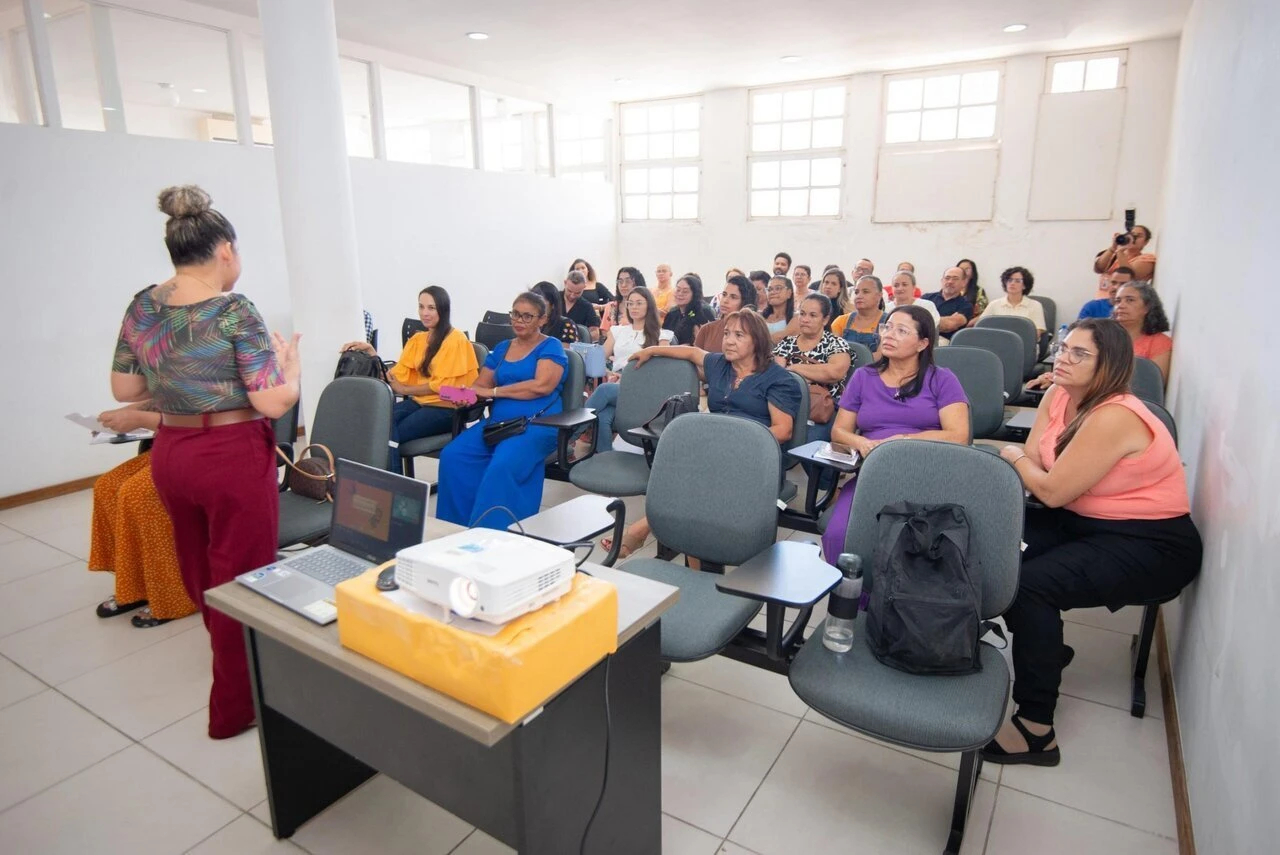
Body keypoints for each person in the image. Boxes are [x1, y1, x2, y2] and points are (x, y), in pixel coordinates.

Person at [112, 185, 300, 739]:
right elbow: (272, 402)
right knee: (242, 578)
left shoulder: (144, 305)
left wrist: (178, 376)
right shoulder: (233, 309)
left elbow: (125, 388)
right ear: (224, 251)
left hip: (173, 455)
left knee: (203, 574)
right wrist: (290, 370)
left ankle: (233, 658)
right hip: (229, 457)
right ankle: (236, 708)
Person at [984, 318, 1200, 767]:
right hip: (1084, 518)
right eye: (1065, 348)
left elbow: (1049, 487)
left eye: (1079, 354)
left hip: (1151, 541)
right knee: (996, 550)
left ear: (1110, 365)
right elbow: (1041, 462)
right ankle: (1045, 647)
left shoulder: (1116, 415)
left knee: (1032, 586)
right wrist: (1029, 462)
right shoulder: (1060, 394)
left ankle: (1037, 730)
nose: (1063, 358)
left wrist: (1014, 455)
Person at [607, 310, 802, 558]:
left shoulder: (778, 379)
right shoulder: (722, 365)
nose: (729, 340)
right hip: (715, 450)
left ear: (758, 341)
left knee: (700, 477)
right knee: (680, 463)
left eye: (739, 335)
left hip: (756, 457)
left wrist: (737, 443)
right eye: (727, 334)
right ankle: (690, 554)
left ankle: (644, 526)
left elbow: (783, 430)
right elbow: (691, 352)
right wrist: (652, 350)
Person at [820, 306, 970, 564]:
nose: (889, 335)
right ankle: (851, 589)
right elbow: (839, 431)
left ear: (923, 343)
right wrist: (863, 443)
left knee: (910, 544)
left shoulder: (942, 379)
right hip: (874, 471)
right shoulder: (864, 377)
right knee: (838, 535)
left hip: (926, 472)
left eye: (901, 331)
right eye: (887, 327)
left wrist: (902, 442)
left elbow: (959, 436)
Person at [437, 291, 568, 528]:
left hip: (538, 424)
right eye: (515, 314)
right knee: (453, 456)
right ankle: (455, 528)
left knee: (502, 465)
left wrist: (495, 392)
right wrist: (466, 395)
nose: (519, 320)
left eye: (527, 316)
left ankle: (490, 533)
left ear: (542, 319)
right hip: (498, 423)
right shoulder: (502, 348)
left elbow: (541, 386)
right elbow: (481, 385)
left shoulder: (551, 346)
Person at [341, 286, 479, 473]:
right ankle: (385, 481)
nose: (424, 313)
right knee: (377, 420)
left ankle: (393, 485)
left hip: (447, 407)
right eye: (421, 307)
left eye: (431, 308)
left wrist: (405, 390)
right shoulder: (418, 340)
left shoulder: (456, 340)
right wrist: (373, 354)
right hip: (421, 402)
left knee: (386, 431)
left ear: (443, 309)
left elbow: (443, 388)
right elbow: (396, 376)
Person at [89, 406, 197, 629]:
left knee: (138, 494)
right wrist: (124, 415)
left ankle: (176, 596)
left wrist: (140, 418)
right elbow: (159, 397)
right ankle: (136, 587)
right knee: (107, 487)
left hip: (206, 446)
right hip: (171, 442)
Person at [580, 286, 673, 452]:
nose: (634, 307)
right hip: (618, 385)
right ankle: (605, 458)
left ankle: (569, 435)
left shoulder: (662, 335)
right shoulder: (618, 331)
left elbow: (662, 370)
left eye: (639, 303)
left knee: (604, 390)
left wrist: (626, 377)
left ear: (649, 305)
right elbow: (596, 361)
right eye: (630, 303)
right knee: (603, 416)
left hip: (644, 387)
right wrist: (608, 372)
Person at [773, 293, 852, 443]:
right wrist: (813, 374)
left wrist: (795, 368)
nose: (805, 319)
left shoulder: (836, 343)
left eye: (812, 315)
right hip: (787, 404)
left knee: (808, 442)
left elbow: (834, 372)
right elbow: (778, 375)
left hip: (822, 409)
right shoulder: (787, 342)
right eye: (802, 314)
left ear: (825, 319)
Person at [1113, 281, 1173, 381]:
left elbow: (1153, 383)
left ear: (1147, 307)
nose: (1121, 305)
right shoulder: (1106, 337)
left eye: (1130, 300)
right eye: (1118, 301)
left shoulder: (1159, 342)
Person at [696, 274, 755, 353]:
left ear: (745, 301)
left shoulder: (753, 331)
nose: (725, 300)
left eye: (733, 297)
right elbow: (694, 357)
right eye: (724, 295)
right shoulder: (707, 329)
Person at [831, 275, 889, 355]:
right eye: (856, 292)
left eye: (865, 292)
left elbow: (880, 355)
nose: (859, 296)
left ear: (879, 296)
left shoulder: (888, 323)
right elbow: (834, 353)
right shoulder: (841, 321)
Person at [984, 267, 1047, 335]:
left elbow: (1037, 332)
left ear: (1024, 286)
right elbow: (982, 326)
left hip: (1025, 340)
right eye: (1009, 280)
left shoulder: (1035, 305)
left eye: (1017, 281)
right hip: (997, 339)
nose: (1012, 283)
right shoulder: (994, 304)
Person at [662, 273, 715, 345]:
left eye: (685, 291)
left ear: (694, 294)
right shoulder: (672, 314)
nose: (680, 294)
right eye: (678, 290)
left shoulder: (703, 313)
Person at [923, 266, 974, 339]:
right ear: (942, 281)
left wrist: (923, 320)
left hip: (943, 341)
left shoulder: (966, 306)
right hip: (920, 337)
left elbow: (948, 325)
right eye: (947, 278)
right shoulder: (926, 298)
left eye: (955, 279)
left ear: (964, 283)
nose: (950, 282)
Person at [561, 271, 601, 342]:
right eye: (569, 291)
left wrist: (582, 339)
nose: (572, 296)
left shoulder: (587, 307)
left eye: (577, 293)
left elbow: (595, 333)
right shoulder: (554, 300)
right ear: (565, 283)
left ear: (584, 287)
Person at [605, 266, 645, 332]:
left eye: (628, 281)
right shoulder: (611, 306)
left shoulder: (645, 306)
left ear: (637, 283)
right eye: (620, 281)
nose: (623, 285)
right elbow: (605, 331)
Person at [763, 275, 797, 341]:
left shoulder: (796, 318)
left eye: (778, 288)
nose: (772, 292)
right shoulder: (760, 316)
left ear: (789, 293)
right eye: (769, 289)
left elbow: (780, 338)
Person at [957, 258, 988, 325]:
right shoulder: (949, 289)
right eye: (961, 269)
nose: (963, 271)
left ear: (973, 273)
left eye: (967, 269)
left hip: (970, 326)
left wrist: (970, 323)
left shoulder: (979, 291)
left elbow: (984, 313)